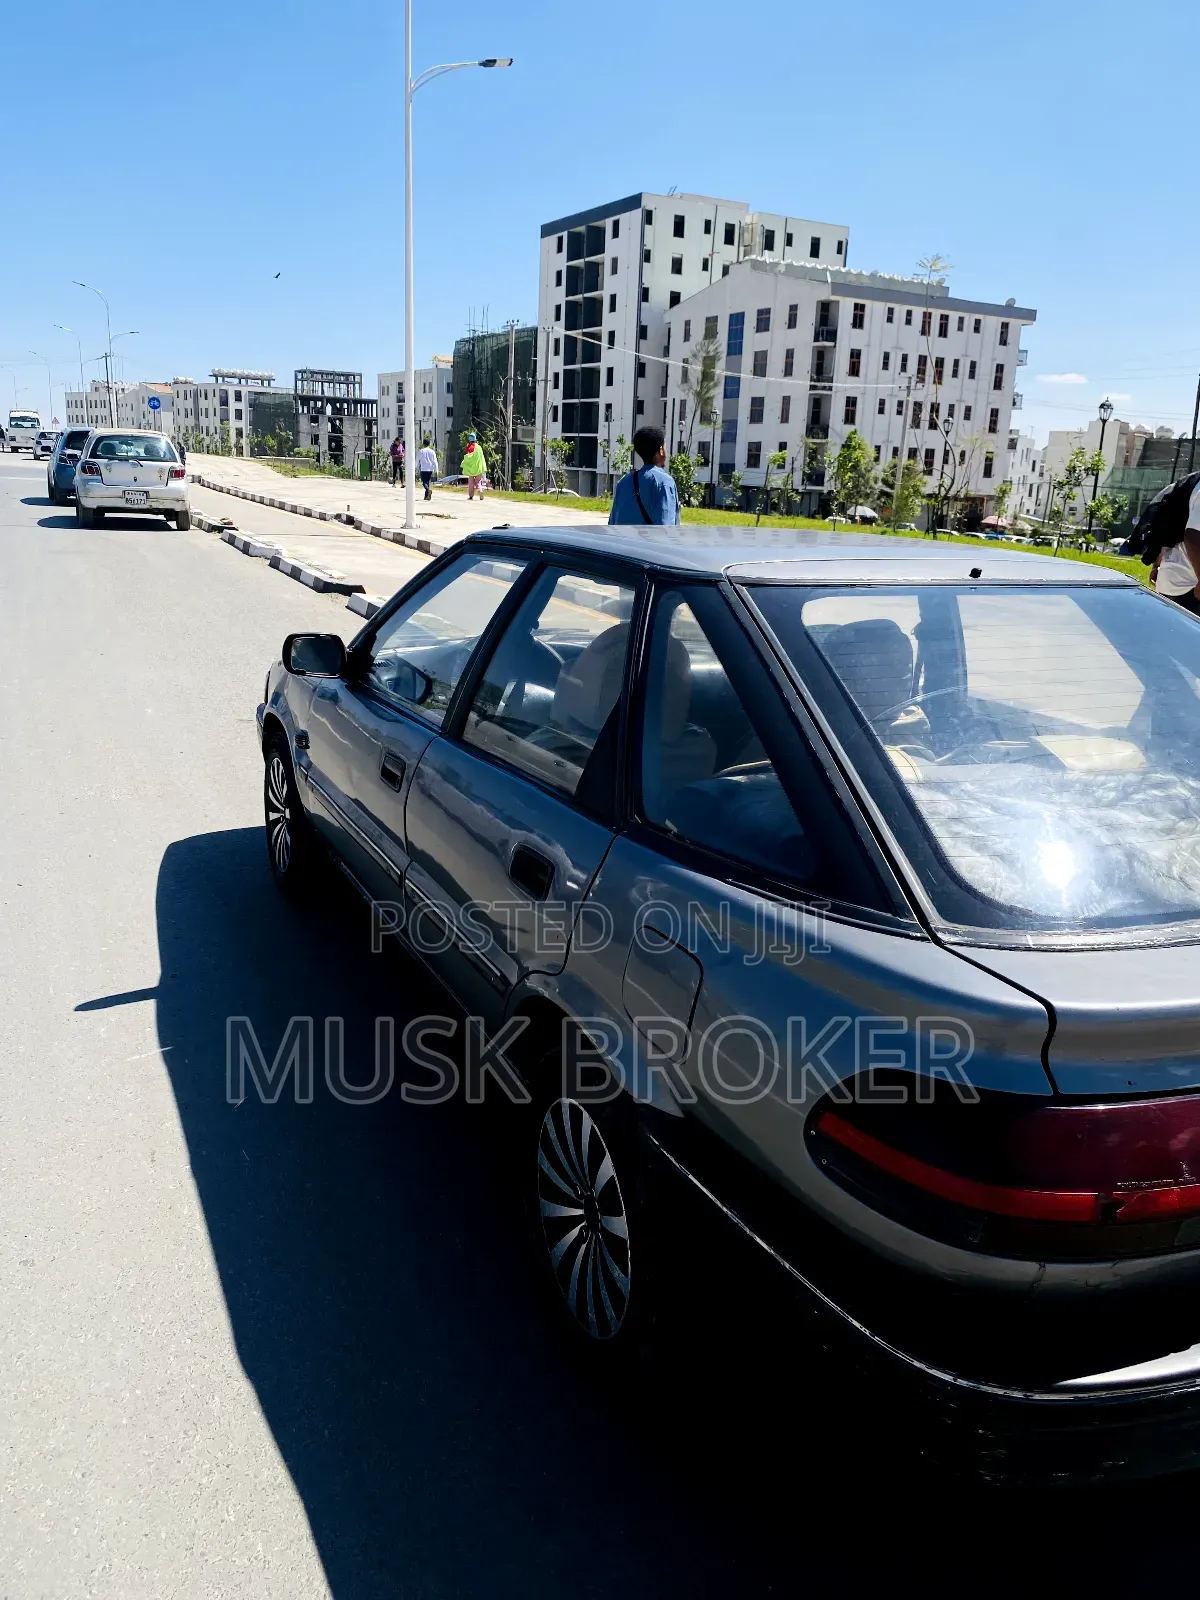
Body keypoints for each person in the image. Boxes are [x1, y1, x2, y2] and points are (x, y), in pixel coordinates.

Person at [609, 425, 680, 526]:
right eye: (665, 446)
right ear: (660, 450)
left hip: (623, 541)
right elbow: (666, 527)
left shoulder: (624, 482)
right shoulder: (664, 482)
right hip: (648, 541)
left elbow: (613, 522)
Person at [461, 433, 486, 500]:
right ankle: (480, 491)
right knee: (478, 482)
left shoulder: (469, 447)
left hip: (471, 468)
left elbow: (467, 457)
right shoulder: (479, 447)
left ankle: (471, 496)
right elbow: (482, 457)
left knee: (471, 483)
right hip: (478, 468)